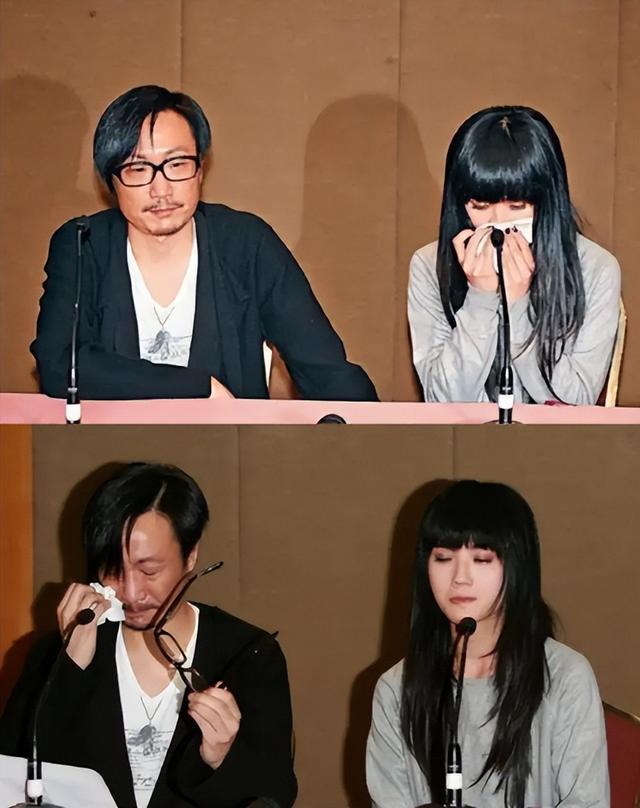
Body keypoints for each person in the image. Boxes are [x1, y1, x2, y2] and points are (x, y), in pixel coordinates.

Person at [31, 85, 378, 402]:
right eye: (138, 169)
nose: (161, 189)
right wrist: (198, 387)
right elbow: (60, 364)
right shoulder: (83, 243)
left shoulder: (246, 244)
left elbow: (326, 371)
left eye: (177, 164)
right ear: (112, 180)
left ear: (200, 170)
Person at [0, 463, 297, 808]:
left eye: (149, 570)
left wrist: (222, 757)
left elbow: (276, 792)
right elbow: (14, 775)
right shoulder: (56, 654)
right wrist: (69, 670)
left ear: (191, 555)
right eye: (114, 570)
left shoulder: (249, 654)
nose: (131, 591)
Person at [366, 480, 608, 808]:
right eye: (443, 558)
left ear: (517, 566)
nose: (460, 577)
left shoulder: (565, 677)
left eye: (481, 559)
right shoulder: (397, 689)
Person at [408, 106, 621, 404]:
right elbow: (443, 400)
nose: (499, 222)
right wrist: (480, 298)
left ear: (547, 201)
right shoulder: (430, 265)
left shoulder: (594, 268)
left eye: (517, 207)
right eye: (480, 206)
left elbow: (574, 403)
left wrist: (518, 305)